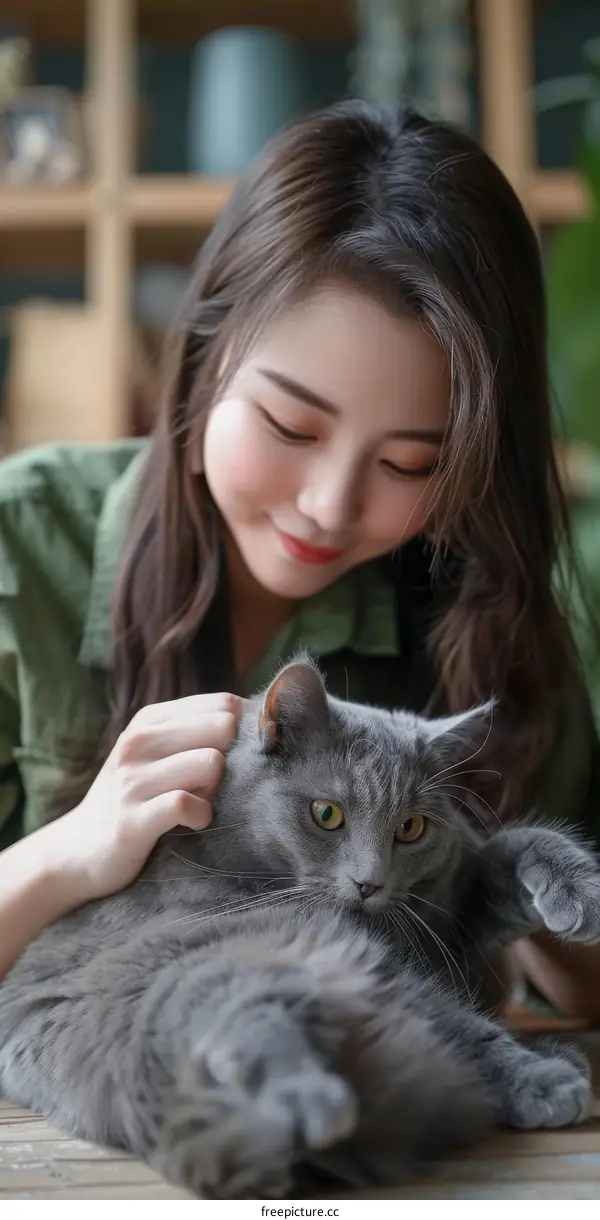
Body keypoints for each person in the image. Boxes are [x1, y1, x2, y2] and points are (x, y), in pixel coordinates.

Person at [1, 101, 599, 1014]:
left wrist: (513, 889)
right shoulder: (22, 549)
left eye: (411, 463)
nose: (329, 505)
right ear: (202, 364)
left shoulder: (480, 608)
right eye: (289, 425)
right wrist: (68, 854)